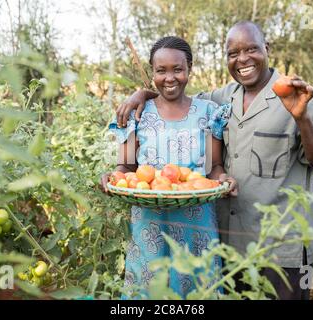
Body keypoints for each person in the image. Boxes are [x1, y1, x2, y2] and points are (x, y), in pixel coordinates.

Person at [115, 21, 313, 300]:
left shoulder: (299, 96)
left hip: (283, 246)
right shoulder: (222, 99)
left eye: (251, 49)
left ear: (267, 49)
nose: (242, 59)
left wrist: (302, 117)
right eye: (233, 53)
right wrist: (141, 94)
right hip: (232, 243)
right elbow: (173, 97)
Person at [100, 36, 237, 299]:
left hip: (197, 224)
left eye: (177, 69)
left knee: (197, 291)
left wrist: (224, 179)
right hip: (150, 224)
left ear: (189, 69)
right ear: (153, 73)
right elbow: (126, 166)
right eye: (161, 71)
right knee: (150, 289)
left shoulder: (209, 112)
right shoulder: (137, 114)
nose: (169, 77)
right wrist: (113, 177)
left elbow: (214, 167)